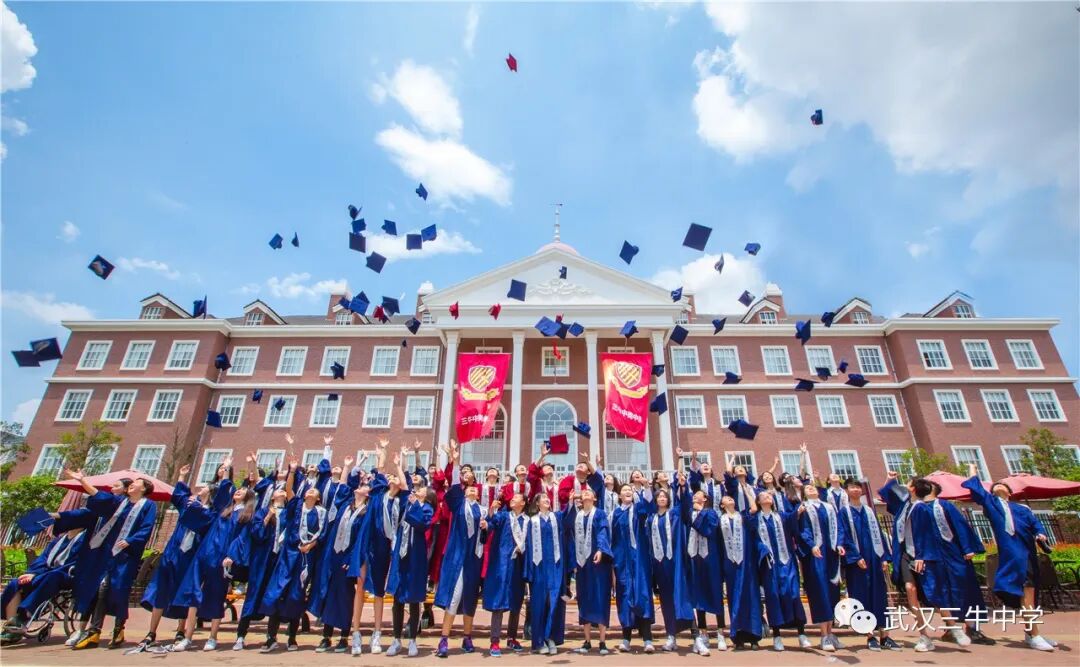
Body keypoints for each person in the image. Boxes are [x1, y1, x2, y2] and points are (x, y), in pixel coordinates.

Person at [52, 469, 157, 650]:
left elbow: (147, 527)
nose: (132, 484)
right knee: (101, 588)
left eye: (137, 482)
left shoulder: (148, 506)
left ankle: (118, 629)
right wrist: (82, 481)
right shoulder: (120, 502)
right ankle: (94, 632)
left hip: (126, 555)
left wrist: (131, 540)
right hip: (107, 553)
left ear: (144, 488)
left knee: (119, 590)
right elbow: (100, 497)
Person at [962, 465, 1057, 651]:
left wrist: (1041, 534)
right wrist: (973, 470)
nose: (998, 485)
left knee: (1029, 594)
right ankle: (1034, 634)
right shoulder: (992, 504)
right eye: (994, 486)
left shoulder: (1022, 509)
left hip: (1027, 554)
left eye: (1002, 485)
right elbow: (976, 488)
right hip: (1011, 555)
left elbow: (1036, 525)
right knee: (1026, 594)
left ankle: (1032, 633)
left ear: (1010, 492)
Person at [139, 462, 232, 651]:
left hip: (191, 556)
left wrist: (225, 474)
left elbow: (223, 497)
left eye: (205, 488)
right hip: (174, 552)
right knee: (161, 590)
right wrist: (181, 477)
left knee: (185, 592)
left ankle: (181, 630)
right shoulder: (189, 505)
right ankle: (151, 632)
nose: (200, 488)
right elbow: (178, 496)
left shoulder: (211, 514)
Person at [171, 460, 256, 652]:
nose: (238, 491)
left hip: (221, 558)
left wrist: (231, 556)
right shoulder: (223, 510)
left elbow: (242, 539)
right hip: (204, 554)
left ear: (249, 497)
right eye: (237, 490)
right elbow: (223, 490)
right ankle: (187, 636)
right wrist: (225, 471)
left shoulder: (245, 515)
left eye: (243, 491)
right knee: (194, 592)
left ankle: (212, 637)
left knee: (217, 594)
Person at [909, 477, 993, 649]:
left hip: (954, 554)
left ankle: (972, 628)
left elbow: (960, 526)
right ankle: (950, 629)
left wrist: (967, 548)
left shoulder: (945, 505)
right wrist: (920, 555)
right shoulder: (918, 508)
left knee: (965, 589)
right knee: (938, 591)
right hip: (933, 556)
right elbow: (919, 534)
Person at [259, 456, 327, 653]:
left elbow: (322, 534)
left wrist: (311, 545)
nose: (311, 491)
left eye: (315, 491)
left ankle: (292, 638)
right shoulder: (297, 505)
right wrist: (292, 470)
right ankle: (271, 637)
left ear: (319, 498)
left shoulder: (321, 512)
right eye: (309, 490)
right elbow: (289, 490)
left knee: (296, 596)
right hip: (288, 554)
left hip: (306, 557)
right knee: (277, 592)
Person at [434, 442, 486, 658]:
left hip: (474, 558)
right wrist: (455, 461)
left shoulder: (482, 510)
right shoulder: (458, 505)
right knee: (454, 597)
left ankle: (467, 637)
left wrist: (487, 525)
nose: (472, 489)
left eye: (475, 488)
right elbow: (455, 485)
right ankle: (444, 639)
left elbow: (487, 534)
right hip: (458, 557)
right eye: (469, 488)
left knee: (470, 598)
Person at [309, 456, 361, 653]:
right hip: (333, 554)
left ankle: (344, 637)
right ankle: (326, 636)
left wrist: (351, 559)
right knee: (329, 593)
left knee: (345, 596)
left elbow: (360, 539)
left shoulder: (364, 512)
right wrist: (346, 468)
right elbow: (342, 489)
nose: (356, 490)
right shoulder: (344, 505)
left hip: (347, 559)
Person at [836, 478, 895, 651]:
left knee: (880, 596)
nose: (856, 490)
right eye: (852, 487)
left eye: (858, 487)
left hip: (875, 558)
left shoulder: (869, 510)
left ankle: (885, 636)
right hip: (857, 563)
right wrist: (855, 557)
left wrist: (884, 557)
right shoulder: (844, 512)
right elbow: (844, 536)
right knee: (861, 597)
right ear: (846, 491)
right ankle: (870, 636)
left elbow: (880, 534)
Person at [385, 452, 435, 657]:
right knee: (397, 599)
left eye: (422, 488)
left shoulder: (427, 509)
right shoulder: (407, 501)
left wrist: (415, 504)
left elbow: (422, 524)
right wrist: (399, 464)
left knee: (414, 599)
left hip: (416, 558)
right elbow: (405, 485)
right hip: (401, 554)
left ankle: (413, 639)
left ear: (427, 495)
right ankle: (396, 639)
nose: (417, 489)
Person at [0, 526, 85, 645]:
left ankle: (24, 615)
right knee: (16, 582)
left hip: (66, 576)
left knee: (53, 576)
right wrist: (33, 573)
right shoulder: (57, 541)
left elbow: (75, 563)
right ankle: (12, 627)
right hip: (44, 574)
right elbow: (42, 560)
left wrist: (39, 575)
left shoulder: (84, 540)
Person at [878, 471, 930, 650]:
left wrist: (921, 555)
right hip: (905, 554)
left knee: (933, 594)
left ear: (913, 489)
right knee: (910, 589)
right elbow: (886, 494)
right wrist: (889, 479)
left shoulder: (922, 508)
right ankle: (924, 635)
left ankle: (953, 627)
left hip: (921, 554)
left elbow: (925, 535)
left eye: (907, 483)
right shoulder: (903, 505)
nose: (904, 486)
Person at [750, 490, 808, 651]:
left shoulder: (781, 516)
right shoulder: (756, 519)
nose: (768, 497)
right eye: (764, 496)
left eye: (770, 496)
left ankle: (801, 633)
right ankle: (777, 636)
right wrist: (762, 550)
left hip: (786, 561)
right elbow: (753, 540)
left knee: (793, 594)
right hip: (769, 564)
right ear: (758, 502)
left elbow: (795, 519)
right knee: (773, 597)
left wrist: (799, 508)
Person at [566, 455, 611, 655]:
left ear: (595, 498)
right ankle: (586, 641)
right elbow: (566, 527)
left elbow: (602, 532)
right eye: (583, 493)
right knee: (583, 597)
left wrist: (601, 549)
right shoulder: (575, 514)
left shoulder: (599, 513)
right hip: (582, 562)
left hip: (597, 562)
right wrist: (569, 504)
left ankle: (602, 641)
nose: (585, 494)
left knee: (600, 596)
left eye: (589, 493)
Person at [640, 481, 693, 651]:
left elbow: (685, 502)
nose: (662, 498)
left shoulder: (675, 513)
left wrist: (682, 486)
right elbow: (646, 504)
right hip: (659, 564)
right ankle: (671, 635)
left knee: (682, 596)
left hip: (675, 562)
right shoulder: (652, 518)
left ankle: (696, 635)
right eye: (659, 496)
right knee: (666, 600)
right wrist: (646, 487)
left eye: (664, 496)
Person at [231, 486, 287, 651]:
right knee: (253, 595)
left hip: (278, 560)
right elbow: (256, 533)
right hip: (262, 559)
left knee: (274, 596)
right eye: (278, 490)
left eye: (283, 491)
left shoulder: (287, 513)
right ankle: (241, 635)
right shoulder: (262, 512)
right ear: (272, 497)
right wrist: (268, 516)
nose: (281, 491)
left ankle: (271, 637)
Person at [675, 474, 724, 655]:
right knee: (698, 597)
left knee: (714, 593)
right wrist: (682, 487)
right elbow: (683, 507)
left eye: (698, 495)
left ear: (705, 499)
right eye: (693, 495)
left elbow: (708, 530)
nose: (695, 497)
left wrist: (700, 511)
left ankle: (720, 632)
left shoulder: (711, 513)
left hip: (710, 558)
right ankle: (703, 633)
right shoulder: (689, 513)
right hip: (693, 558)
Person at [795, 483, 841, 651]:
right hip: (816, 554)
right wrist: (811, 545)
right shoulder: (803, 508)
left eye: (813, 487)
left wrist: (840, 543)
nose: (811, 489)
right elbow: (803, 530)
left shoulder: (829, 507)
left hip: (831, 553)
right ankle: (823, 635)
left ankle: (830, 633)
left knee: (832, 591)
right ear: (803, 494)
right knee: (820, 591)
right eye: (807, 488)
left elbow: (839, 527)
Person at [483, 491, 529, 656]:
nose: (512, 499)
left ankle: (511, 637)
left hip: (518, 565)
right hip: (501, 564)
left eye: (517, 498)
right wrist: (490, 514)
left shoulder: (528, 521)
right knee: (499, 601)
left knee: (516, 601)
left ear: (523, 503)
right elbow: (491, 525)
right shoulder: (503, 516)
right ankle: (495, 641)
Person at [610, 482, 654, 653]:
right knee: (624, 597)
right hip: (622, 561)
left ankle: (647, 639)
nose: (628, 492)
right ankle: (626, 638)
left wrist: (645, 489)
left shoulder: (638, 509)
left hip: (639, 559)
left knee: (643, 594)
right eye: (624, 490)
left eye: (630, 490)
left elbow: (648, 507)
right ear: (619, 495)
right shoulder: (615, 513)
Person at [523, 491, 566, 655]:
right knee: (539, 604)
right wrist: (529, 571)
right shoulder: (532, 521)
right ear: (537, 503)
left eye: (548, 498)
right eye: (544, 499)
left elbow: (569, 517)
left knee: (553, 601)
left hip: (555, 566)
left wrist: (569, 501)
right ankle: (539, 641)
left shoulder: (557, 518)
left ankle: (551, 637)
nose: (547, 500)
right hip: (538, 567)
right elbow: (528, 546)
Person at [719, 488, 762, 650]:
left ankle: (754, 636)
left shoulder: (742, 516)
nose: (730, 499)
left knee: (750, 596)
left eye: (731, 498)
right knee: (734, 597)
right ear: (722, 505)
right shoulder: (720, 520)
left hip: (746, 562)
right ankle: (738, 637)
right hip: (730, 564)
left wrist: (747, 490)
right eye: (726, 499)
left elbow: (754, 509)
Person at [363, 438, 396, 653]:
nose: (390, 479)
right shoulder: (377, 495)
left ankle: (378, 633)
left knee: (381, 590)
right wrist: (382, 452)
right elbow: (380, 471)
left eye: (394, 478)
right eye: (388, 478)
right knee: (363, 588)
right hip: (370, 544)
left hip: (390, 547)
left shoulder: (400, 499)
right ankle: (356, 632)